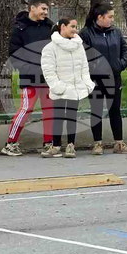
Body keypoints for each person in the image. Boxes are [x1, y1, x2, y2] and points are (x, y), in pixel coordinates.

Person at [2, 0, 56, 156]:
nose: (46, 12)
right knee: (26, 108)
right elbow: (14, 53)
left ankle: (49, 143)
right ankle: (10, 143)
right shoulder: (20, 28)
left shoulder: (51, 27)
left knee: (50, 110)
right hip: (29, 77)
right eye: (43, 9)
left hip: (49, 77)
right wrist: (26, 68)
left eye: (47, 9)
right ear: (32, 8)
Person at [80, 3, 127, 155]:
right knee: (96, 110)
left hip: (114, 77)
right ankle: (97, 144)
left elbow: (125, 49)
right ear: (100, 17)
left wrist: (121, 64)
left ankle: (119, 143)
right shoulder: (86, 33)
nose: (112, 20)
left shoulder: (115, 32)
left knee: (115, 109)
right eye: (110, 17)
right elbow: (82, 56)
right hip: (95, 79)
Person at [40, 19, 95, 158]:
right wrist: (58, 87)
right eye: (72, 26)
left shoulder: (79, 46)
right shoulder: (50, 48)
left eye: (76, 27)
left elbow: (84, 67)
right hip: (60, 89)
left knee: (72, 117)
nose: (75, 29)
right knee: (58, 117)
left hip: (75, 88)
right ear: (62, 27)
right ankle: (56, 146)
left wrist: (87, 83)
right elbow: (48, 71)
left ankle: (71, 145)